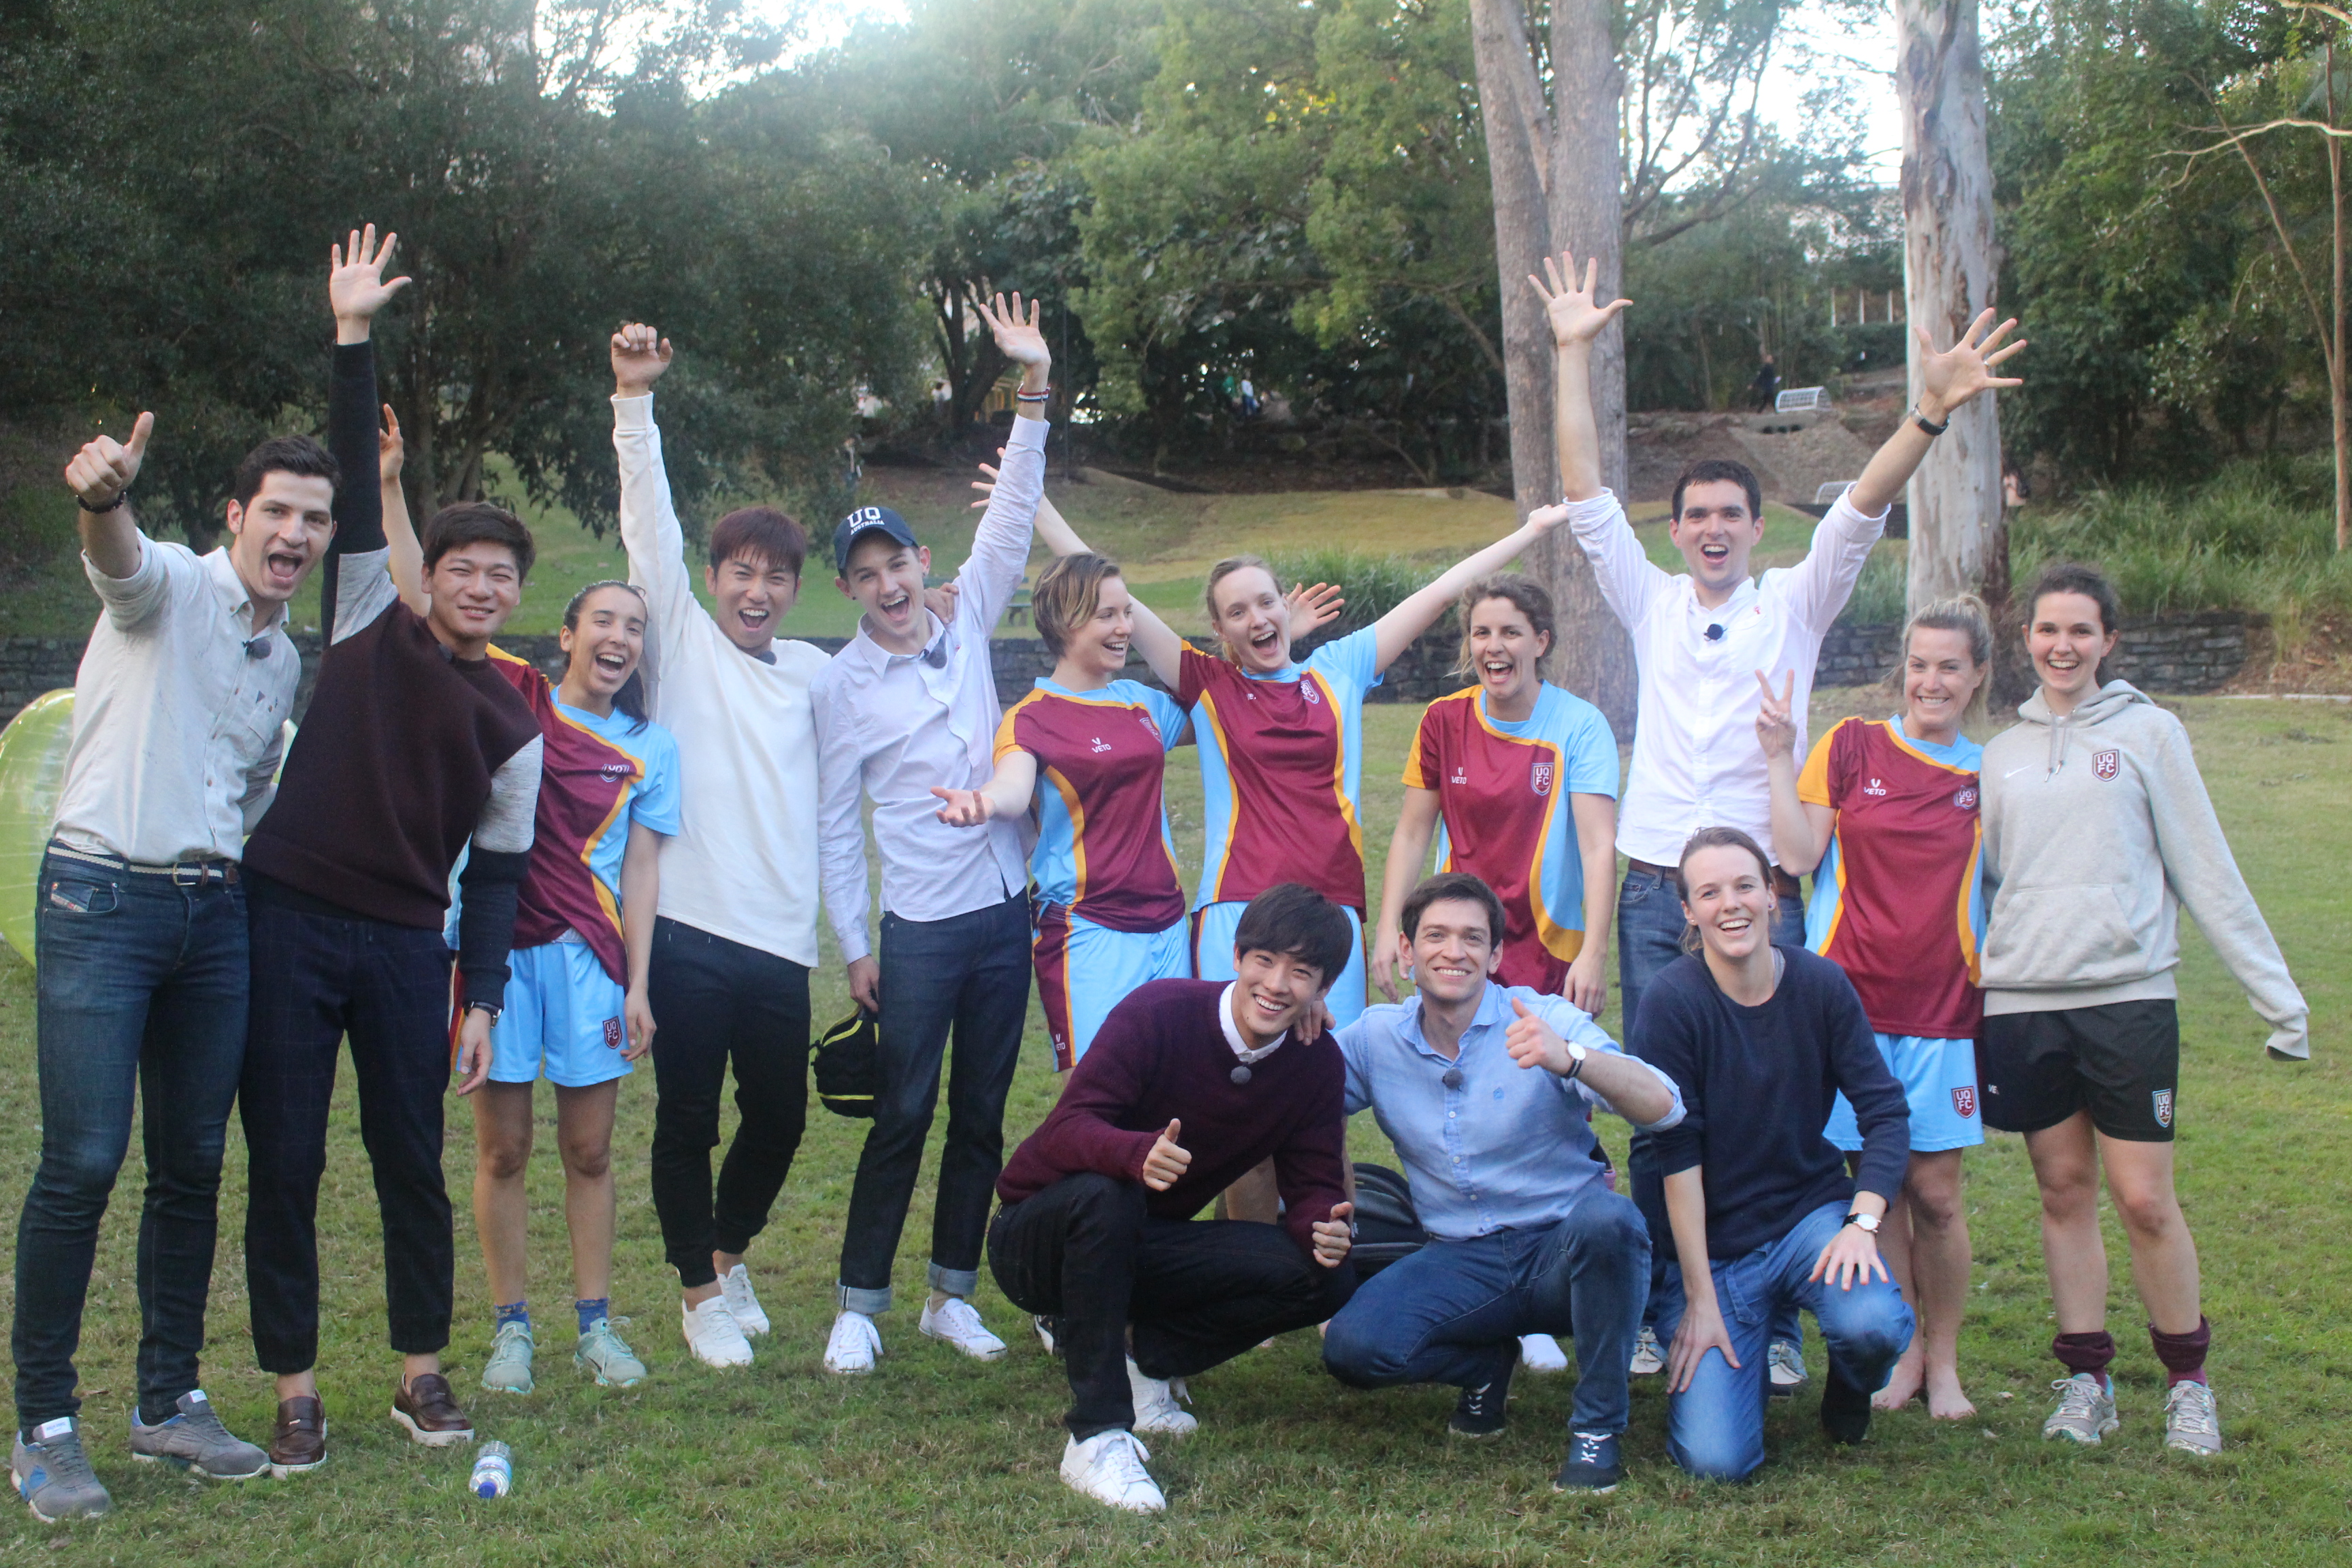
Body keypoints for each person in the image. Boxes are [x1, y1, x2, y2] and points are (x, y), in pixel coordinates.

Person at [1534, 246, 2022, 1386]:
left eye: (1729, 513)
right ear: (1677, 531)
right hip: (1659, 888)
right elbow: (1584, 487)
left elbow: (1862, 505)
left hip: (1764, 888)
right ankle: (1668, 1305)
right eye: (1695, 513)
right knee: (1663, 1108)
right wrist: (1569, 353)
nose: (1711, 528)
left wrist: (1928, 411)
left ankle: (1789, 1318)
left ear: (1756, 527)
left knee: (1781, 1106)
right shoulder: (1649, 599)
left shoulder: (1794, 603)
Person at [5, 231, 395, 1524]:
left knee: (189, 1165)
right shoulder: (167, 585)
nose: (293, 532)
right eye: (274, 511)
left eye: (314, 517)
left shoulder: (289, 660)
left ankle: (167, 1399)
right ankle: (47, 1426)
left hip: (211, 915)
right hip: (101, 900)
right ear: (232, 518)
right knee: (84, 1158)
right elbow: (115, 559)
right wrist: (103, 491)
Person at [237, 229, 542, 1473]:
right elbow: (359, 498)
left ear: (517, 593)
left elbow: (504, 875)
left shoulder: (516, 721)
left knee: (411, 1160)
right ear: (428, 579)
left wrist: (481, 998)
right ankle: (296, 1388)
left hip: (413, 948)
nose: (477, 585)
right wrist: (352, 337)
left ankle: (422, 1372)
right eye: (460, 567)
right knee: (289, 1158)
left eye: (499, 575)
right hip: (289, 917)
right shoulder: (368, 612)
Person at [1978, 562, 2308, 1458]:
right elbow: (1989, 884)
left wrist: (2279, 1001)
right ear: (2028, 638)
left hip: (2127, 998)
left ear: (2109, 641)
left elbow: (2205, 869)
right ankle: (2086, 1379)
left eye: (2081, 630)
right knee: (2063, 1190)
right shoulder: (2000, 755)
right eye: (2048, 629)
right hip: (2023, 1003)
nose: (2062, 645)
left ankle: (2187, 1384)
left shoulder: (2152, 734)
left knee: (2143, 1198)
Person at [814, 293, 1056, 1375]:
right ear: (850, 591)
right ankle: (860, 1303)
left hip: (1006, 912)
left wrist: (1033, 388)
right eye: (865, 577)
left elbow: (1010, 518)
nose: (889, 586)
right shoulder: (843, 685)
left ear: (920, 561)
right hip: (917, 929)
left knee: (981, 1113)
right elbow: (832, 822)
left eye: (897, 565)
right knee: (902, 1113)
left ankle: (950, 1294)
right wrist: (857, 945)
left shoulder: (964, 617)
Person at [608, 323, 855, 1368]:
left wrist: (930, 612)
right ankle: (698, 1293)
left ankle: (726, 1247)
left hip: (778, 938)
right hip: (688, 926)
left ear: (797, 590)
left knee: (783, 1118)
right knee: (688, 1119)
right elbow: (650, 527)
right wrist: (635, 402)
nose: (756, 592)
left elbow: (891, 697)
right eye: (739, 573)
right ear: (712, 578)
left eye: (776, 578)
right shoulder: (680, 641)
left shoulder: (814, 672)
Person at [988, 884, 1358, 1514]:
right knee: (1109, 1195)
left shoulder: (1314, 1062)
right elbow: (1066, 1130)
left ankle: (1147, 1358)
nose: (1277, 984)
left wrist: (1323, 1224)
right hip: (1038, 1238)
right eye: (1265, 961)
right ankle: (1097, 1435)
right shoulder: (1159, 1011)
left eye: (1303, 972)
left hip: (1142, 1247)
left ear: (1322, 989)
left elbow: (1313, 1180)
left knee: (1328, 1278)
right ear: (1237, 956)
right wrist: (1135, 1154)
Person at [1322, 872, 1680, 1494]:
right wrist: (1301, 1011)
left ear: (1495, 956)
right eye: (1434, 936)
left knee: (1611, 1221)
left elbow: (1665, 1107)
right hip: (1459, 1258)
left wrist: (1570, 1058)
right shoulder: (1377, 1039)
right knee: (1355, 1349)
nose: (1452, 952)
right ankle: (1486, 1366)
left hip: (1563, 1251)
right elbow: (1299, 1092)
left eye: (1471, 939)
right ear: (1406, 952)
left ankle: (1596, 1427)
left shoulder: (1541, 1018)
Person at [1758, 595, 1994, 1420]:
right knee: (1878, 1189)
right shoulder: (1852, 746)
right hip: (1849, 1011)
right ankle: (1902, 1355)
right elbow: (1794, 855)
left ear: (1977, 677)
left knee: (1937, 1194)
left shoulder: (1987, 774)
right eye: (1920, 664)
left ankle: (1949, 1361)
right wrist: (1779, 757)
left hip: (1945, 1011)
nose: (1931, 681)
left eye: (1950, 667)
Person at [1634, 827, 1914, 1480]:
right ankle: (1740, 1359)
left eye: (1743, 886)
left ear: (1772, 899)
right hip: (1716, 1248)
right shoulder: (1670, 1003)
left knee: (1872, 1324)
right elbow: (1673, 1158)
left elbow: (1885, 1113)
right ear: (1688, 911)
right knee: (1716, 1461)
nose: (1729, 904)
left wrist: (1861, 1224)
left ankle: (1851, 1382)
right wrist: (1698, 1296)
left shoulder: (1821, 985)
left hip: (1807, 1222)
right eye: (1709, 892)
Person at [931, 552, 1189, 1070]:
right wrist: (983, 803)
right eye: (1108, 616)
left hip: (1169, 925)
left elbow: (1227, 705)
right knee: (1095, 1099)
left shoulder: (1142, 703)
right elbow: (1012, 785)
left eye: (1126, 613)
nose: (1125, 628)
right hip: (1087, 929)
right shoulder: (1032, 717)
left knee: (1173, 1087)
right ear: (1067, 622)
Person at [1372, 573, 1618, 1013]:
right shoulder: (1442, 721)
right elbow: (1411, 835)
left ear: (1541, 642)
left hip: (1548, 951)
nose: (1494, 646)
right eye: (1481, 633)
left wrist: (1594, 955)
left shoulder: (1581, 726)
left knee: (1540, 1075)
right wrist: (1390, 927)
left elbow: (1598, 847)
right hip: (1458, 947)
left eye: (1511, 633)